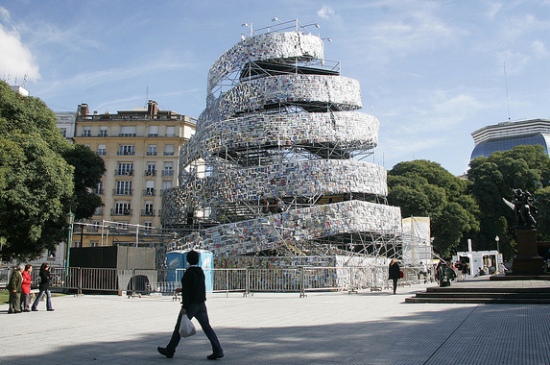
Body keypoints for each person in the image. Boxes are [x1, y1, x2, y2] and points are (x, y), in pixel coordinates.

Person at [158, 250, 224, 360]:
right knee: (207, 327)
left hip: (191, 305)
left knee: (179, 327)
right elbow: (196, 287)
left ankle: (170, 350)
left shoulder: (188, 273)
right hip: (201, 304)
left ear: (188, 260)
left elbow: (188, 292)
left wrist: (184, 307)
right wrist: (182, 289)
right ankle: (218, 349)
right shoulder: (200, 272)